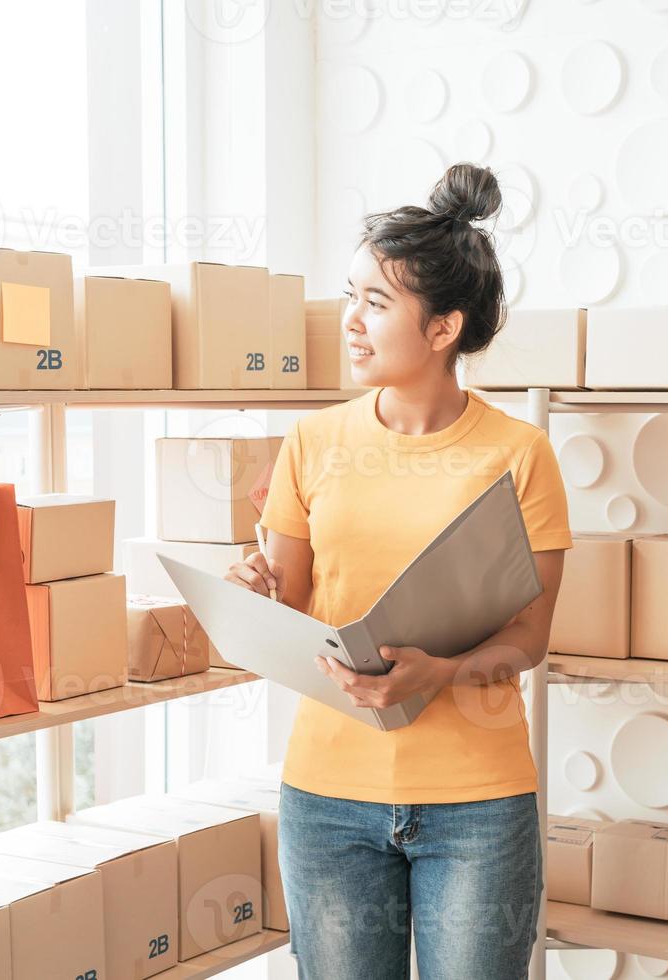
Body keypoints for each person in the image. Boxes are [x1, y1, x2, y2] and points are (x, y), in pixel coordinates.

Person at [225, 162, 571, 979]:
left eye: (375, 304)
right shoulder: (311, 443)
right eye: (350, 296)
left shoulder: (519, 454)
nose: (350, 321)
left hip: (477, 806)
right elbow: (296, 604)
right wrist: (257, 589)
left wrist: (442, 672)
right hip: (327, 798)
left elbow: (531, 636)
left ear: (443, 328)